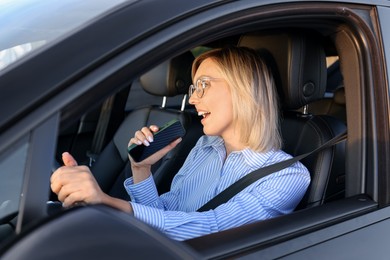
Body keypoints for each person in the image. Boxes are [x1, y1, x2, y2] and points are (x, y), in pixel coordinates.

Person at [51, 46, 310, 241]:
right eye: (193, 89)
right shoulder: (204, 148)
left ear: (245, 88)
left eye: (203, 86)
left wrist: (106, 202)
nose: (194, 100)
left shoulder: (288, 175)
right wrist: (141, 170)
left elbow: (212, 229)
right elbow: (166, 213)